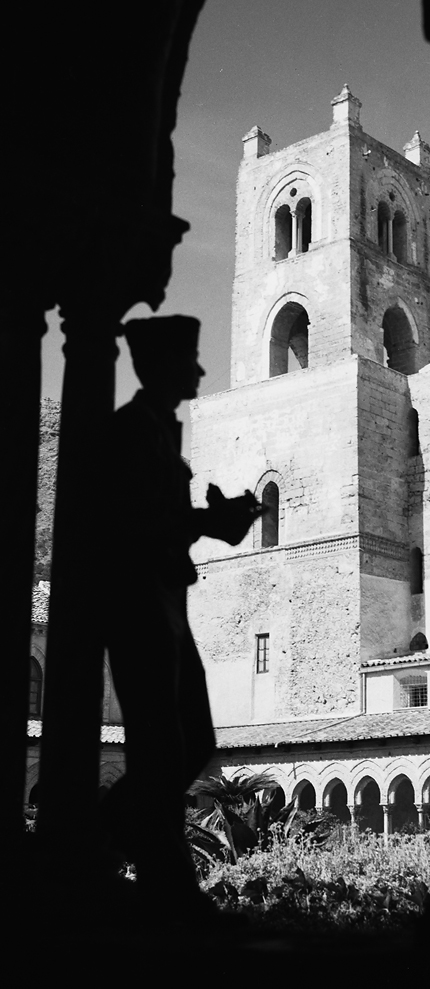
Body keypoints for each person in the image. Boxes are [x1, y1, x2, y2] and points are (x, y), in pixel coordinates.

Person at [99, 315, 263, 927]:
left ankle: (105, 842)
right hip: (139, 603)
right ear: (159, 367)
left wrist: (209, 520)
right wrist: (206, 523)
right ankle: (159, 882)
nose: (200, 370)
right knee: (166, 744)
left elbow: (160, 519)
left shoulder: (161, 435)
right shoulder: (131, 432)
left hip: (168, 600)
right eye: (189, 360)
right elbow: (131, 524)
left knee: (188, 742)